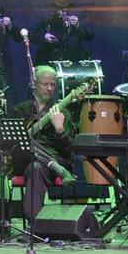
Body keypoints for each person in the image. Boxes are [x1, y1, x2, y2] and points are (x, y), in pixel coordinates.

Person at [10, 65, 78, 220]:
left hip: (52, 160)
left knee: (36, 167)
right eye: (45, 84)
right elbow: (12, 144)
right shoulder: (21, 110)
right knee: (27, 144)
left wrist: (60, 130)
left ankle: (35, 226)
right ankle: (60, 171)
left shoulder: (63, 113)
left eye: (52, 84)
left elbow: (69, 152)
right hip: (24, 159)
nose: (49, 88)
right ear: (34, 84)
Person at [33, 0, 94, 66]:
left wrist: (77, 25)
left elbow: (89, 35)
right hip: (48, 60)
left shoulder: (79, 11)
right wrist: (44, 37)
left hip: (74, 61)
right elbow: (30, 33)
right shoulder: (44, 11)